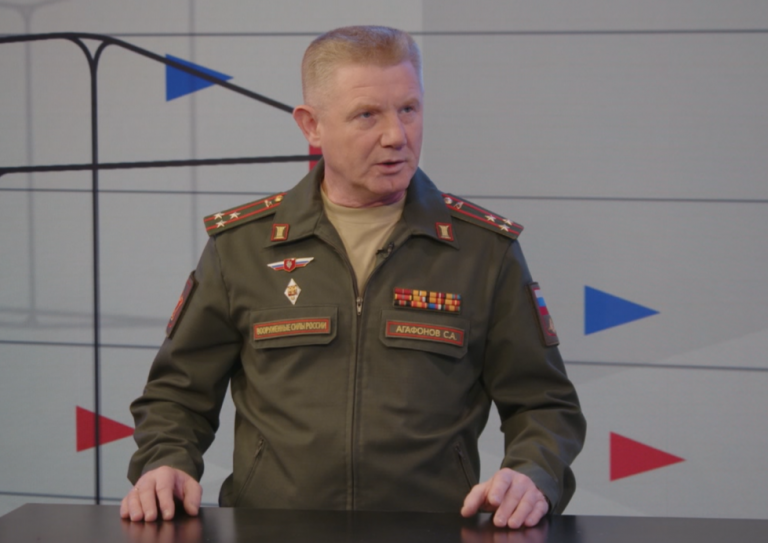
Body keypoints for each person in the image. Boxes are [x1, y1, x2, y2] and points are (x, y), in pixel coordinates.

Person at [121, 25, 585, 530]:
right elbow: (176, 396)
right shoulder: (242, 248)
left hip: (432, 533)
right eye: (368, 115)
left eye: (408, 109)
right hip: (270, 533)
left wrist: (533, 474)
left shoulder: (483, 252)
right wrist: (165, 462)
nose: (396, 136)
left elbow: (545, 405)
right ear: (311, 125)